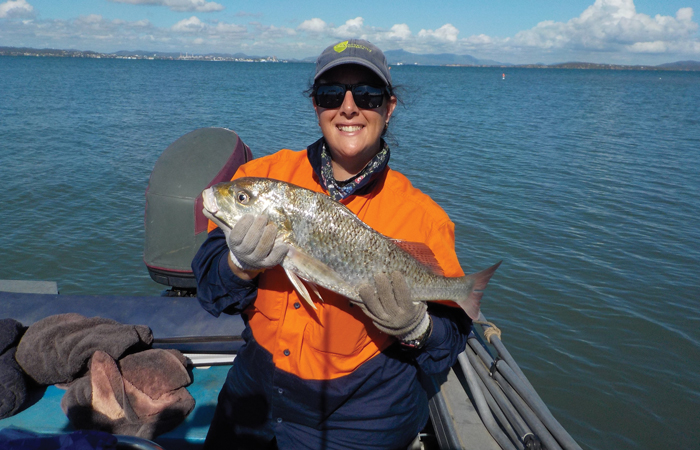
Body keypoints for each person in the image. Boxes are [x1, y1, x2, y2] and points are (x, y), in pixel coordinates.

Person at [192, 39, 471, 450]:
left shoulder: (425, 218)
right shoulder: (262, 176)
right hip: (255, 390)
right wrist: (238, 264)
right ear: (315, 106)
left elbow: (449, 338)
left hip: (362, 413)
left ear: (389, 108)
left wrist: (418, 328)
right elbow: (210, 290)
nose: (348, 107)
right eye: (330, 94)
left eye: (367, 94)